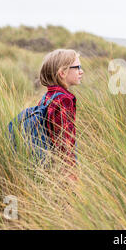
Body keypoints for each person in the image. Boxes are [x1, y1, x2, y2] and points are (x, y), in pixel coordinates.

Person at [39, 49, 84, 181]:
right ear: (62, 73)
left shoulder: (48, 96)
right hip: (62, 168)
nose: (81, 71)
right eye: (77, 68)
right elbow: (64, 140)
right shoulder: (64, 100)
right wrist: (70, 173)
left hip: (49, 163)